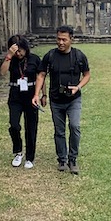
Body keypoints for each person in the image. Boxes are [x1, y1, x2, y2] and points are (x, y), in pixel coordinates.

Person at [41, 25, 91, 175]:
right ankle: (62, 159)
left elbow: (87, 75)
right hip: (56, 100)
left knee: (75, 127)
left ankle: (73, 159)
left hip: (73, 99)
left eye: (64, 39)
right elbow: (41, 75)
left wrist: (78, 87)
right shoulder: (50, 56)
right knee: (59, 131)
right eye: (58, 39)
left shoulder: (79, 56)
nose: (61, 42)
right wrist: (41, 94)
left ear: (71, 39)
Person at [2, 35, 44, 169]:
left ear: (26, 48)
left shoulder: (34, 59)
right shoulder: (11, 60)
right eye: (16, 51)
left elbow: (40, 77)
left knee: (31, 127)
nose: (19, 53)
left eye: (20, 50)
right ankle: (18, 151)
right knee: (14, 124)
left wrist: (43, 95)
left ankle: (30, 157)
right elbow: (2, 73)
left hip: (31, 94)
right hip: (15, 94)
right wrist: (9, 55)